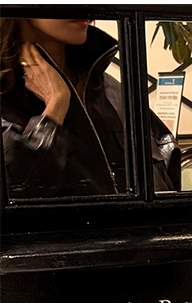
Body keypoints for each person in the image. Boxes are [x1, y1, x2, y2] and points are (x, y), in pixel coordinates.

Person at [0, 12, 178, 204]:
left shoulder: (110, 88)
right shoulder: (6, 99)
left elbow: (167, 168)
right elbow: (17, 192)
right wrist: (55, 108)